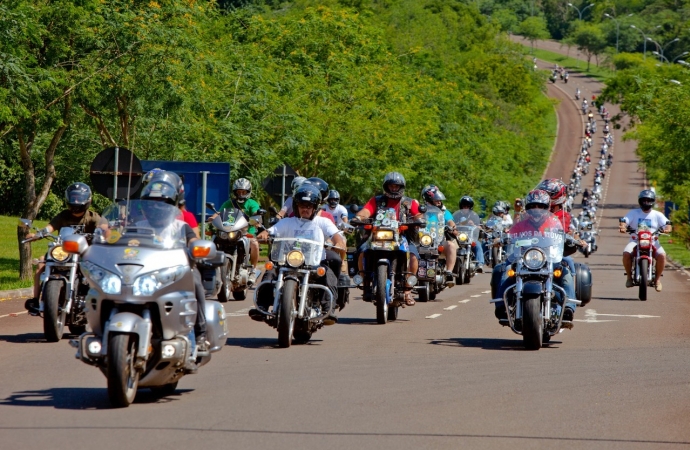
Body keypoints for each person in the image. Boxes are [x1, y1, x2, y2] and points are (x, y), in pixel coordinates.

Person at [136, 171, 210, 353]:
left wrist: (195, 248)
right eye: (152, 205)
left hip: (176, 272)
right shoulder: (137, 227)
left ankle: (201, 334)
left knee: (195, 281)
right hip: (145, 273)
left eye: (163, 204)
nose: (157, 208)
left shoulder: (180, 227)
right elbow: (126, 246)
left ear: (172, 206)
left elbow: (194, 240)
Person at [254, 183, 340, 323]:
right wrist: (264, 234)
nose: (305, 209)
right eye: (302, 205)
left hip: (313, 263)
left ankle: (328, 310)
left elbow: (336, 236)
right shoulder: (287, 222)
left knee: (327, 274)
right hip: (288, 260)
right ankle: (262, 306)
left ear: (314, 207)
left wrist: (339, 242)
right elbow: (271, 231)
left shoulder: (323, 222)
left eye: (309, 206)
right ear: (296, 206)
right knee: (270, 272)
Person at [25, 183, 108, 315]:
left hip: (85, 253)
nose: (76, 201)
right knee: (41, 263)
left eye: (79, 198)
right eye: (73, 197)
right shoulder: (64, 215)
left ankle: (99, 300)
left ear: (87, 199)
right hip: (63, 251)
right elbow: (51, 227)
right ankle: (35, 300)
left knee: (98, 271)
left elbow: (104, 227)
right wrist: (38, 234)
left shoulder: (92, 217)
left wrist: (108, 232)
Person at [492, 190, 574, 322]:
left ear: (547, 207)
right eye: (533, 206)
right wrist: (501, 239)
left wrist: (570, 239)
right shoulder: (522, 224)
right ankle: (501, 305)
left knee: (566, 273)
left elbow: (561, 234)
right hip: (524, 259)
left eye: (541, 206)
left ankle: (569, 307)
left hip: (549, 258)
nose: (537, 210)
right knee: (507, 271)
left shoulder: (553, 222)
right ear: (528, 208)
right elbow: (511, 234)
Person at [355, 172, 421, 306]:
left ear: (401, 187)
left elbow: (418, 214)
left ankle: (408, 289)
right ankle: (365, 282)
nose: (394, 188)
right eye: (391, 186)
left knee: (413, 255)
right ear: (386, 186)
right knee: (362, 251)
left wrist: (419, 219)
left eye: (397, 186)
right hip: (377, 236)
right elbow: (366, 211)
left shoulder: (409, 202)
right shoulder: (377, 200)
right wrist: (358, 218)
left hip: (402, 236)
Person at [619, 189, 672, 291]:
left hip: (653, 241)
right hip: (635, 241)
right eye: (644, 200)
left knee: (662, 255)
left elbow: (667, 223)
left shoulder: (657, 214)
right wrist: (622, 226)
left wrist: (667, 229)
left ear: (652, 201)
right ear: (640, 201)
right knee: (626, 253)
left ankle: (657, 280)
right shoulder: (633, 213)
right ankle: (629, 277)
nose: (646, 203)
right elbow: (624, 221)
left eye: (649, 200)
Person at [215, 178, 261, 285]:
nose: (241, 194)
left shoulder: (252, 203)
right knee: (215, 239)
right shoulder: (228, 203)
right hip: (230, 232)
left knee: (254, 243)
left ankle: (253, 270)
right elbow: (219, 213)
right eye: (239, 192)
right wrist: (213, 218)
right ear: (235, 192)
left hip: (246, 233)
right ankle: (212, 267)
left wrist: (256, 220)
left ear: (248, 192)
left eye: (243, 192)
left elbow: (257, 215)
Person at [421, 185, 458, 285]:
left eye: (439, 199)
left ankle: (449, 272)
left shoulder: (444, 212)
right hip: (421, 242)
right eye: (436, 199)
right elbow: (414, 218)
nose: (439, 201)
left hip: (438, 241)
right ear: (428, 199)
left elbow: (450, 221)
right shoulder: (421, 210)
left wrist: (453, 228)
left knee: (451, 245)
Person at [453, 196, 485, 272]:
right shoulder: (456, 215)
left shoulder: (474, 215)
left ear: (470, 207)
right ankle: (448, 265)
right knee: (451, 246)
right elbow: (451, 224)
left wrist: (474, 225)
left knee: (477, 245)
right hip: (459, 237)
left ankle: (480, 264)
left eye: (467, 206)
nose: (465, 208)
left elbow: (480, 227)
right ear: (461, 206)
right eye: (464, 206)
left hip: (471, 237)